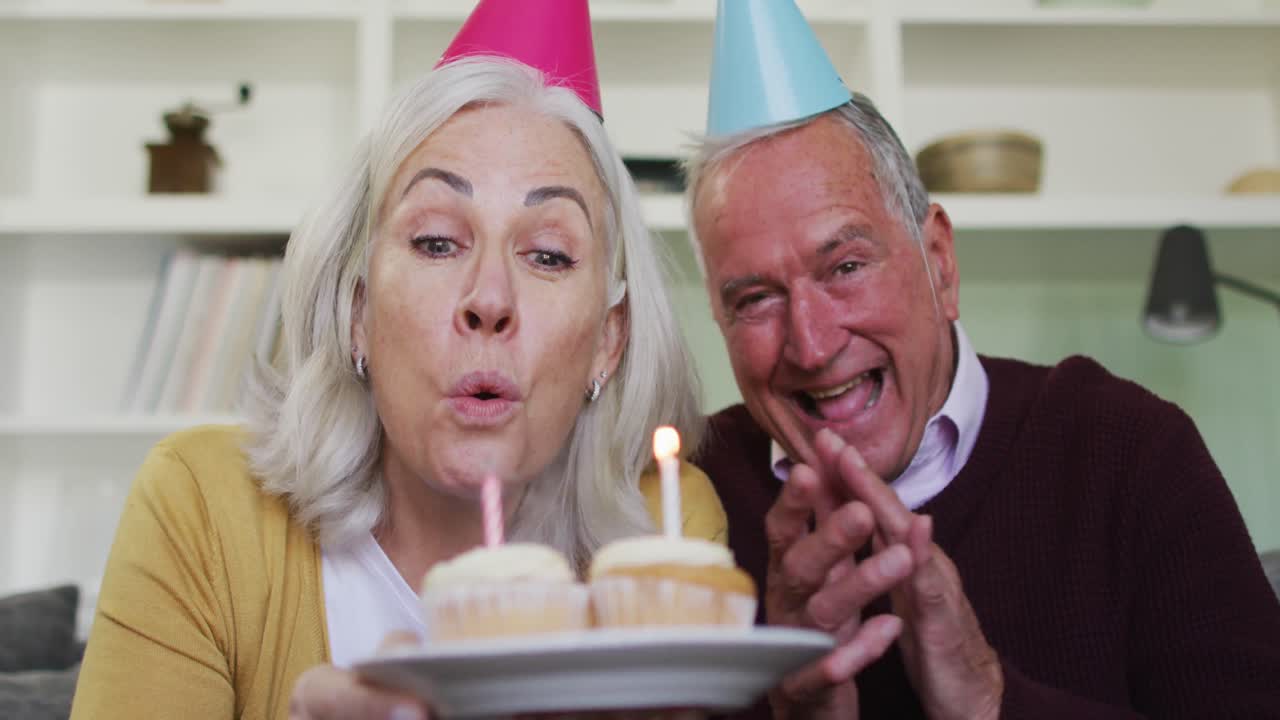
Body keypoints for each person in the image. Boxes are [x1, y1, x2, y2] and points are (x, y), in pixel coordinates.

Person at [69, 4, 725, 719]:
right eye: (438, 241)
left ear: (609, 338)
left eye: (547, 254)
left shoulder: (662, 529)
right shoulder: (201, 506)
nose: (490, 298)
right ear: (357, 313)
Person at [686, 2, 1280, 719]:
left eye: (845, 266)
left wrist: (990, 700)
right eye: (755, 299)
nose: (812, 346)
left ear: (938, 261)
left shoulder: (1127, 452)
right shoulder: (688, 503)